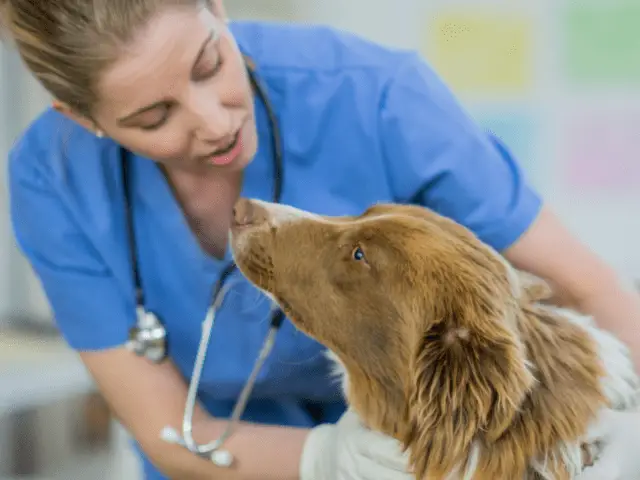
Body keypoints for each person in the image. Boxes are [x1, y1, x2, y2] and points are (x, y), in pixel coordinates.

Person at [2, 0, 640, 478]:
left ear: (216, 7)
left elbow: (584, 286)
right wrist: (331, 460)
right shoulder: (51, 179)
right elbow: (172, 433)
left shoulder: (372, 95)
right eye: (154, 116)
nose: (214, 121)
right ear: (82, 117)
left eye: (208, 65)